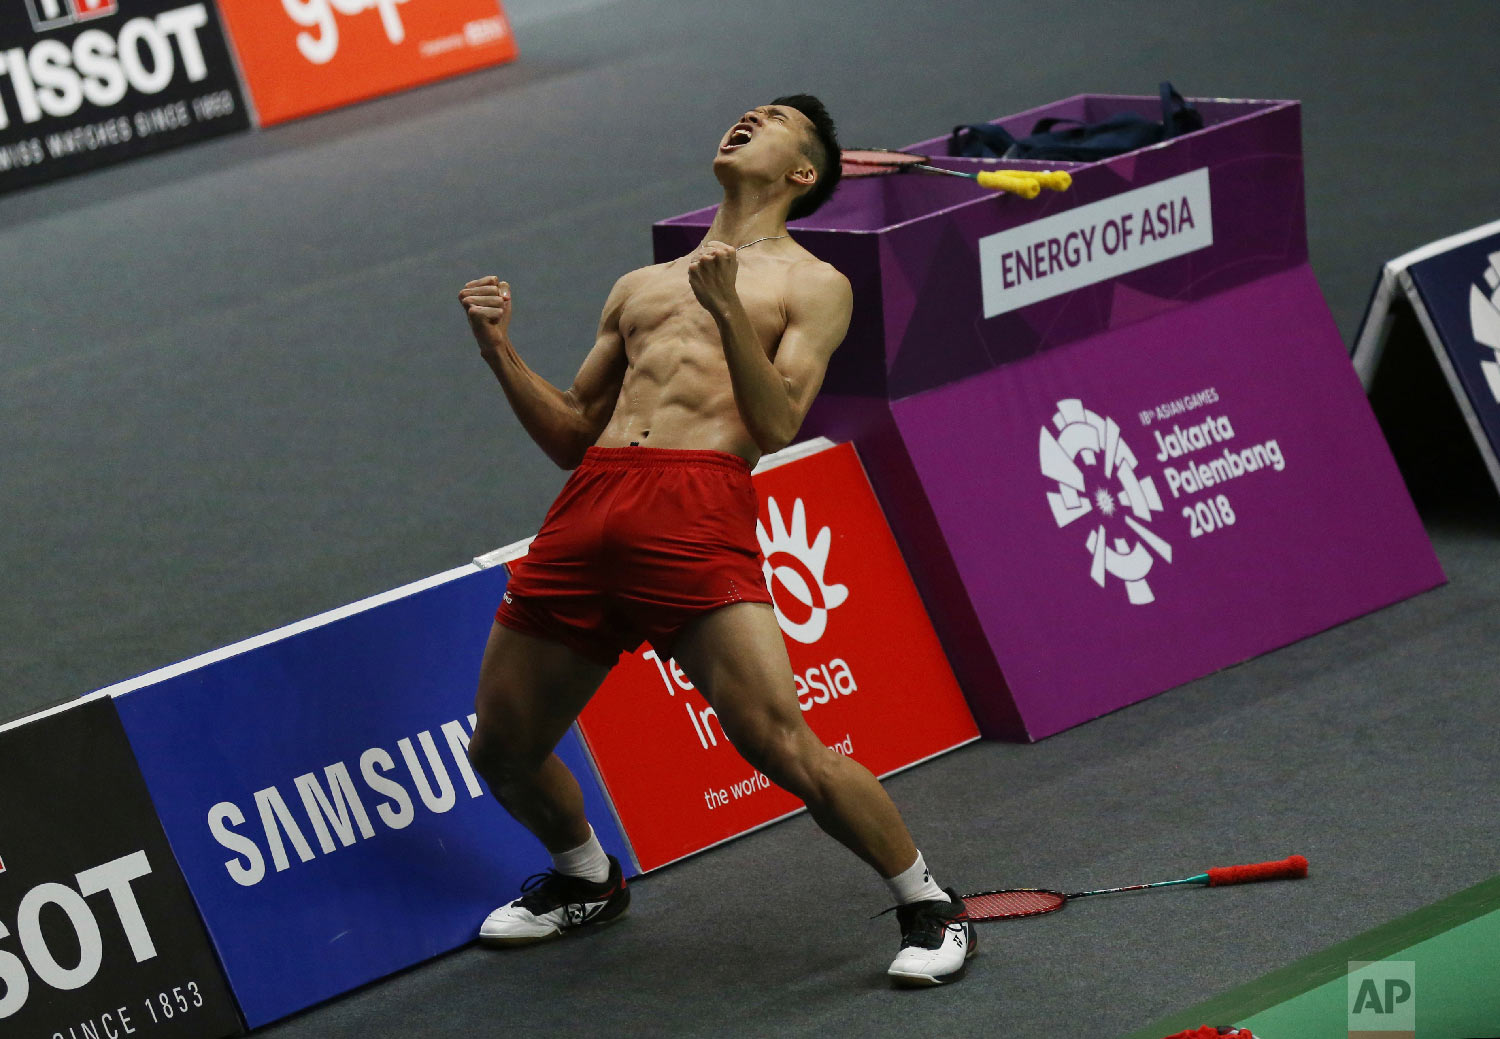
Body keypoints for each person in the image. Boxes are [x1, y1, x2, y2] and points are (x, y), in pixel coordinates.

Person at [456, 95, 974, 986]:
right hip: (591, 505)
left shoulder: (814, 283)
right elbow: (574, 434)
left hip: (696, 512)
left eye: (771, 120)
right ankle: (586, 880)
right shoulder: (640, 285)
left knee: (779, 741)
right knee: (499, 749)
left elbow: (773, 425)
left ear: (802, 174)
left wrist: (731, 310)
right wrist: (498, 349)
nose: (746, 119)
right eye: (747, 111)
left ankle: (929, 901)